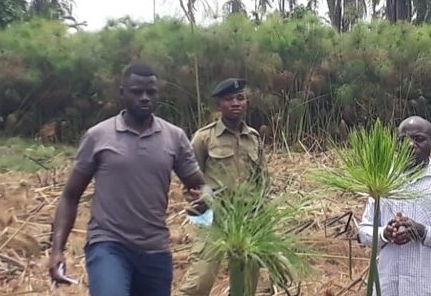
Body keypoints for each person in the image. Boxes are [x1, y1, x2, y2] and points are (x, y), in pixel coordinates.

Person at [48, 63, 205, 296]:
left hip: (155, 249)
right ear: (122, 93)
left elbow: (199, 187)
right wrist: (57, 250)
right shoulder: (99, 136)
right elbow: (70, 196)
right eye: (136, 91)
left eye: (151, 92)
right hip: (109, 245)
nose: (144, 98)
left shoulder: (174, 137)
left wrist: (206, 203)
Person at [358, 116, 431, 296]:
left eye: (419, 139)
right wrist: (384, 233)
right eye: (403, 140)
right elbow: (364, 231)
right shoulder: (383, 181)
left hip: (430, 289)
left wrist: (424, 232)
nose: (411, 145)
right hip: (388, 288)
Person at [179, 78, 267, 296]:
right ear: (219, 106)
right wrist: (202, 212)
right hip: (215, 220)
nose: (235, 103)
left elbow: (263, 180)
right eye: (229, 99)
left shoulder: (253, 138)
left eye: (240, 98)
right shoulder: (203, 138)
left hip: (249, 220)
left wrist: (262, 215)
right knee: (198, 283)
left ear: (246, 102)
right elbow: (190, 183)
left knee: (246, 287)